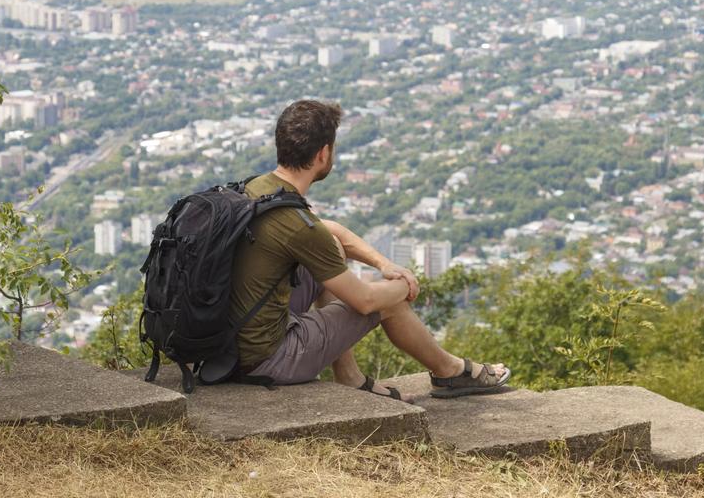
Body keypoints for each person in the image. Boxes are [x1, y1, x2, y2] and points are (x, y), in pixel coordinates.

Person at [204, 99, 509, 400]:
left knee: (333, 248)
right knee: (384, 301)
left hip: (227, 342)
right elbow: (365, 302)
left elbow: (329, 234)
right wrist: (403, 285)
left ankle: (349, 375)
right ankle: (450, 372)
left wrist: (383, 263)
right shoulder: (297, 223)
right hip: (266, 358)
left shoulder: (255, 188)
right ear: (323, 153)